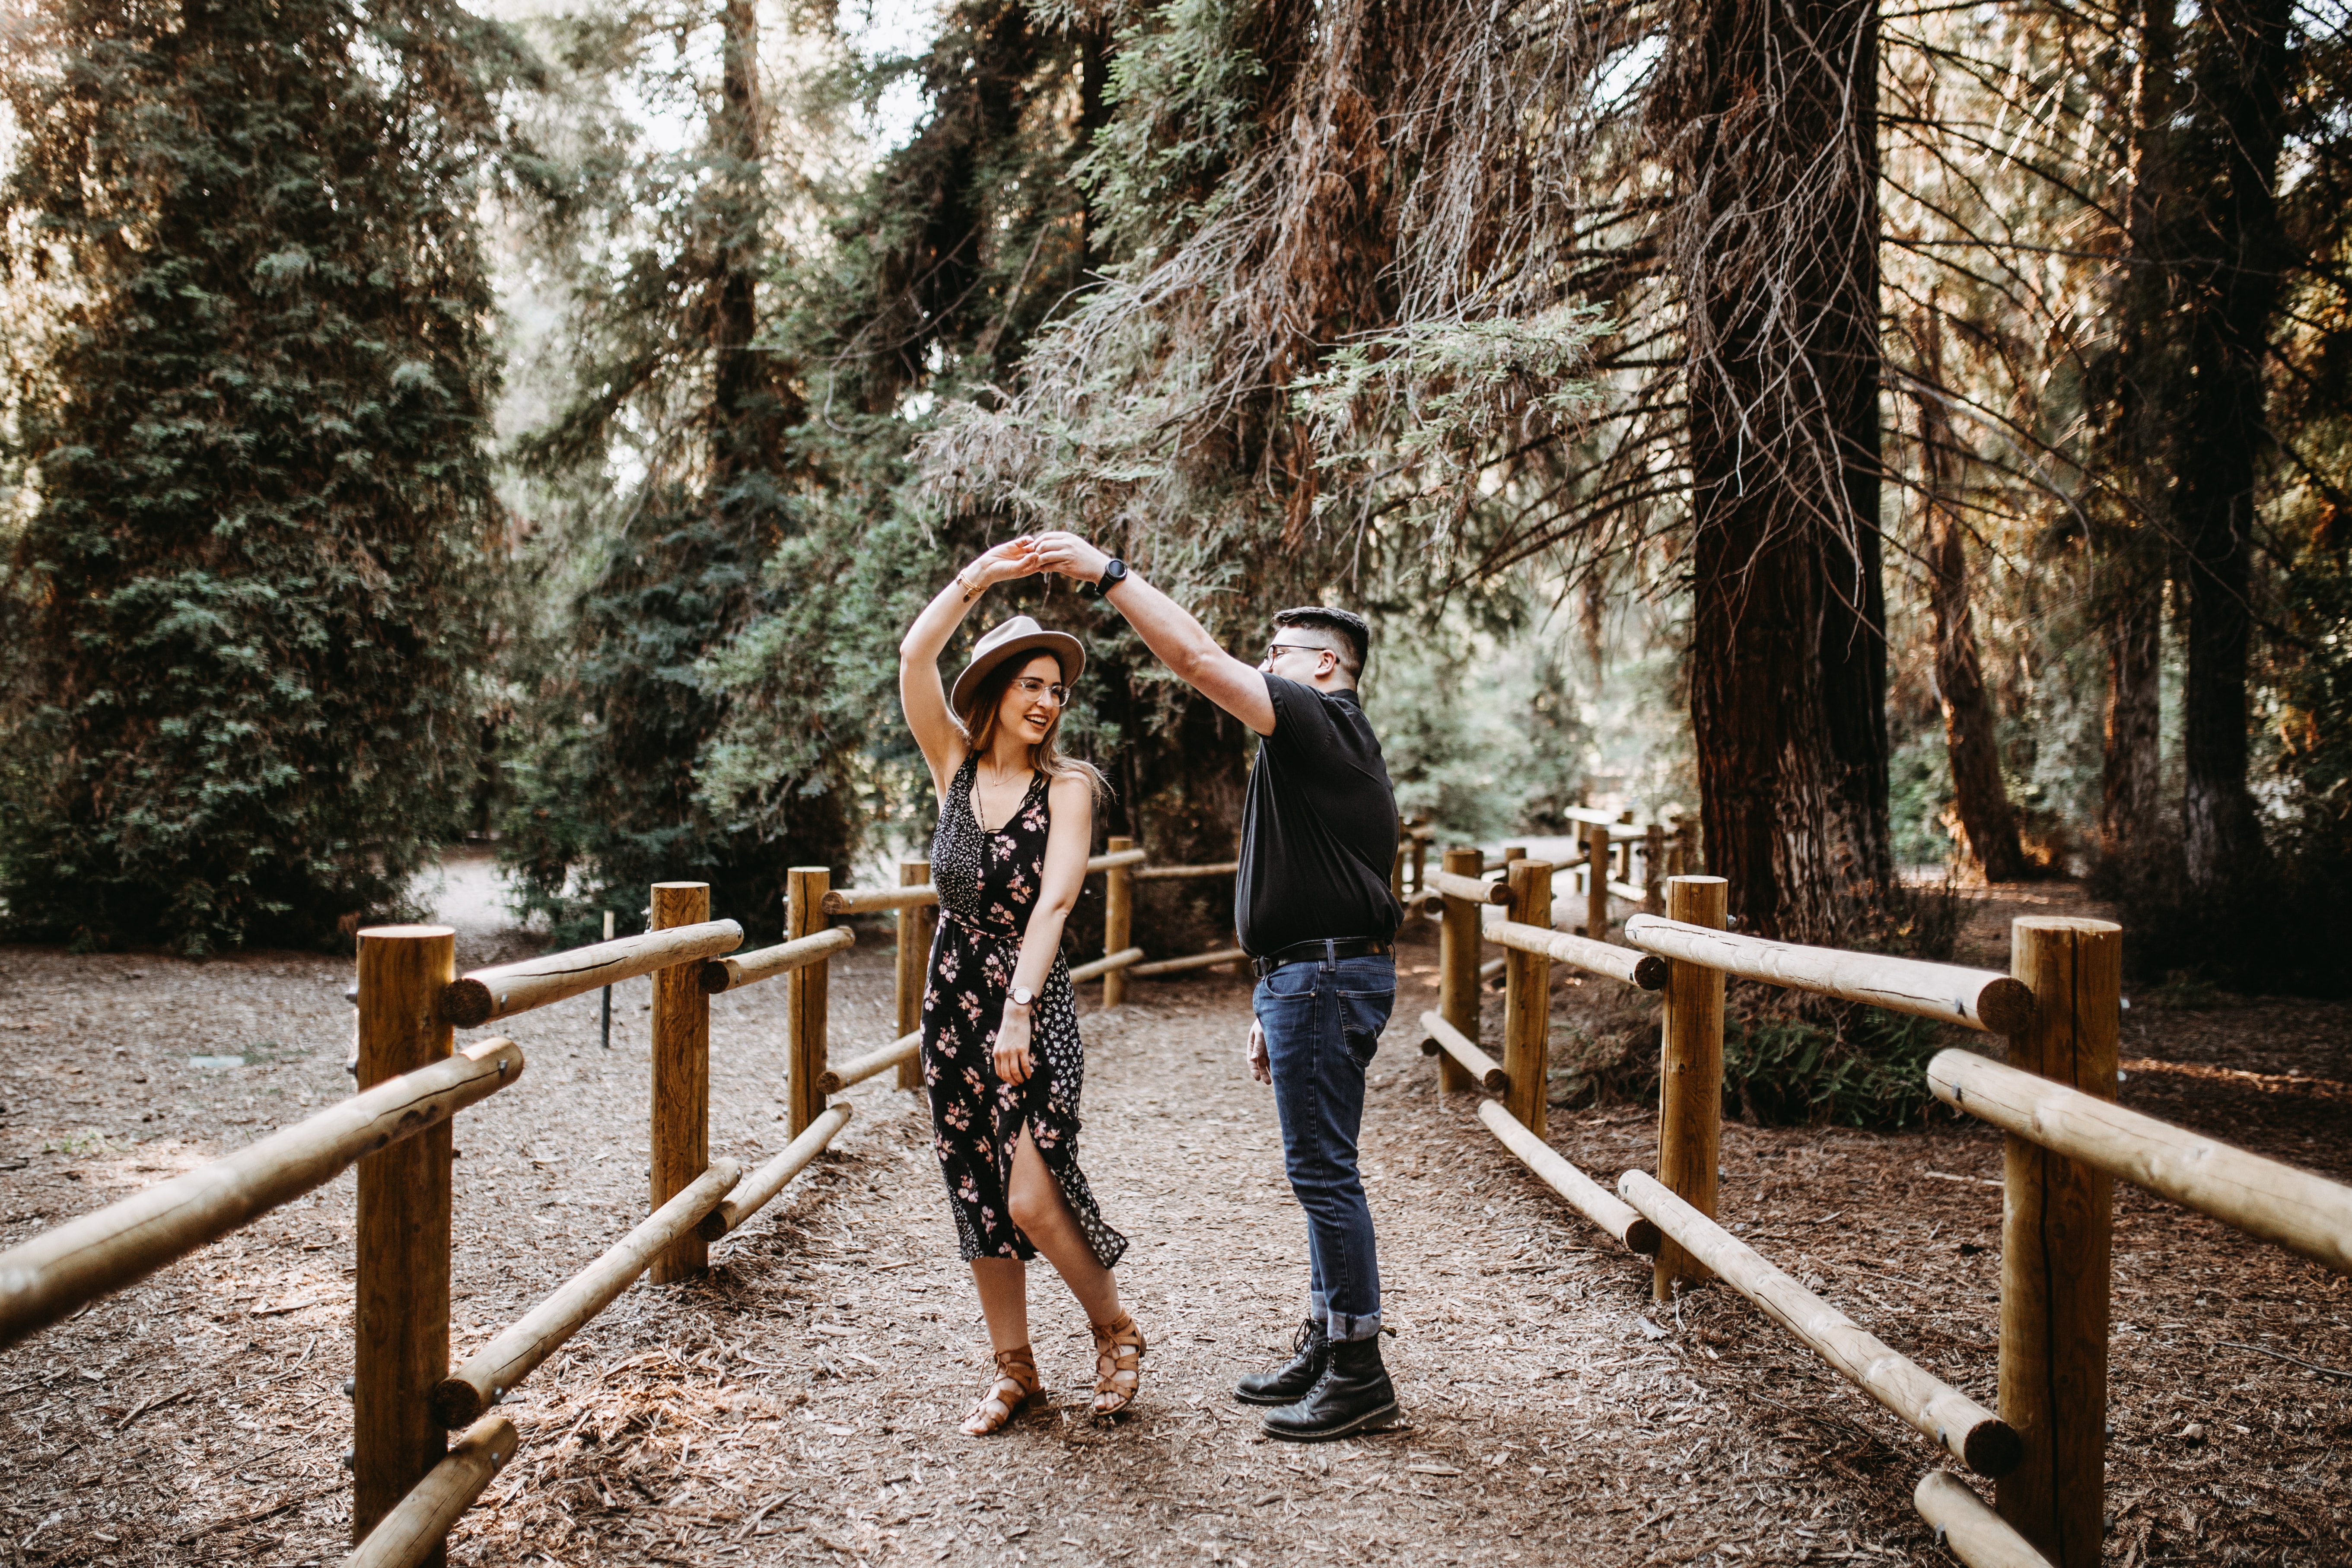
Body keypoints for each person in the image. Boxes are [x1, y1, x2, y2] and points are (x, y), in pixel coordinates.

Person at [1029, 531, 1403, 1444]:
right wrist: (1268, 992)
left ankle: (1359, 1374)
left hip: (1320, 979)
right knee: (1320, 1172)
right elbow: (1307, 881)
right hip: (1307, 977)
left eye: (1276, 658)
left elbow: (1195, 658)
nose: (1261, 671)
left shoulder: (1323, 720)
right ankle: (1327, 1341)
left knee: (1324, 1174)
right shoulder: (1319, 745)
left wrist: (1108, 575)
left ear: (1323, 668)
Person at [898, 540, 1143, 1436]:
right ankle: (1015, 1371)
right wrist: (983, 579)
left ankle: (1114, 1332)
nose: (1046, 702)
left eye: (1056, 689)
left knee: (1032, 1195)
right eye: (1030, 684)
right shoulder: (953, 768)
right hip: (949, 1000)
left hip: (1027, 1003)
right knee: (974, 1187)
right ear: (995, 691)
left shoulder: (1068, 787)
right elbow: (914, 656)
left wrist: (1018, 1010)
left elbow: (1056, 901)